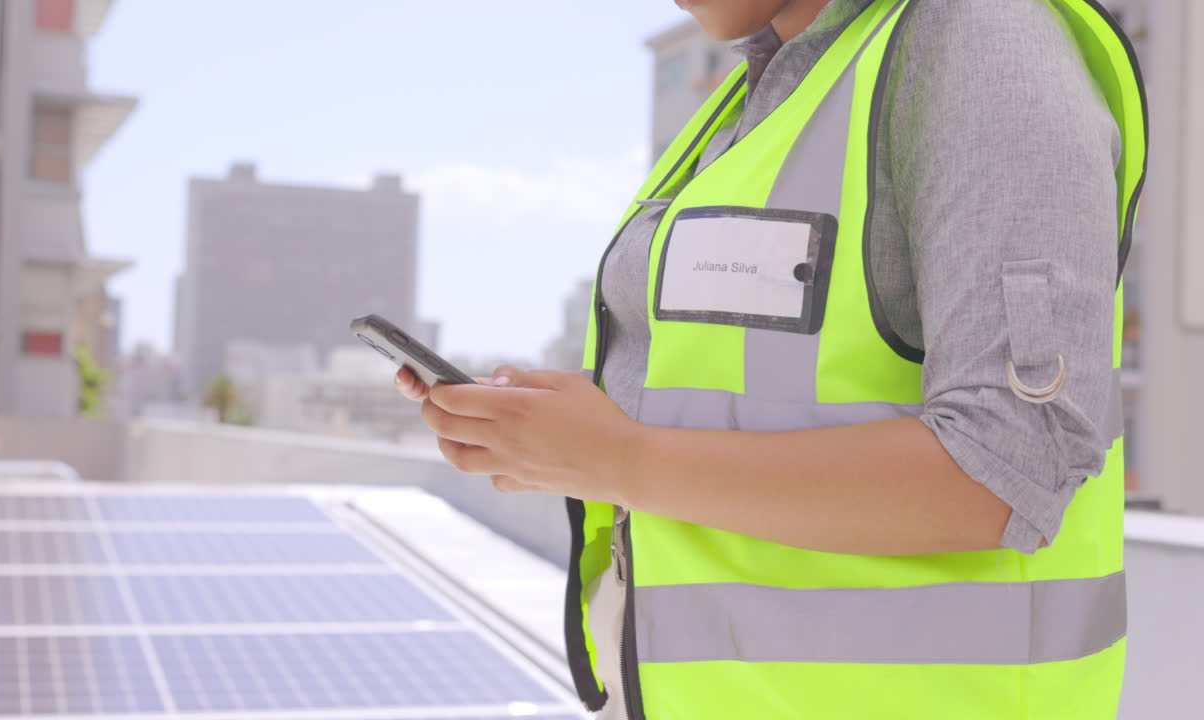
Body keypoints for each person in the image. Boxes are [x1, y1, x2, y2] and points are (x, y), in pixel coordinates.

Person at [394, 0, 1146, 717]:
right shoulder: (766, 92)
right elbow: (741, 391)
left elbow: (1006, 469)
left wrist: (616, 458)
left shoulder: (983, 42)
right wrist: (553, 435)